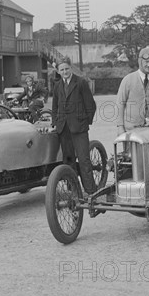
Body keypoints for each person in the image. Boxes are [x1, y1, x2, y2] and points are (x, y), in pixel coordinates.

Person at [51, 57, 97, 195]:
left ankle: (91, 191)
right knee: (69, 160)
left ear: (70, 68)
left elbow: (91, 105)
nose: (65, 72)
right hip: (64, 129)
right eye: (62, 70)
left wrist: (85, 121)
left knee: (84, 160)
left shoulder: (81, 83)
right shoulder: (57, 85)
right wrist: (55, 122)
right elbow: (55, 106)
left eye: (66, 69)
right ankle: (74, 191)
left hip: (79, 128)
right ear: (58, 71)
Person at [116, 47, 149, 135]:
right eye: (146, 62)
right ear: (140, 62)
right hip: (130, 131)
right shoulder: (128, 80)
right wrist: (120, 127)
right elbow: (120, 104)